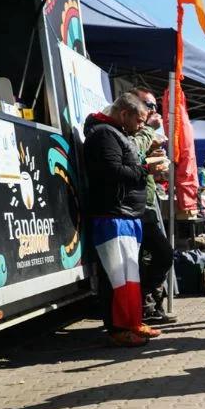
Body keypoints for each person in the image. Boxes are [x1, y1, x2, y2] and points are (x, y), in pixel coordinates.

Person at [83, 93, 167, 347]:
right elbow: (111, 171)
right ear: (123, 114)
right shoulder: (104, 134)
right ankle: (119, 328)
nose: (142, 125)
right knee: (117, 277)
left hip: (125, 215)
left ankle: (132, 322)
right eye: (139, 120)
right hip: (113, 215)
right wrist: (145, 170)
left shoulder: (114, 133)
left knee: (128, 275)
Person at [122, 86, 176, 325]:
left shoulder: (144, 130)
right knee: (150, 256)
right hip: (133, 206)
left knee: (162, 255)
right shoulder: (125, 130)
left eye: (155, 106)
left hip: (150, 201)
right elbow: (131, 154)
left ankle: (154, 304)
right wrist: (149, 135)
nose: (153, 111)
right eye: (148, 105)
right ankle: (145, 305)